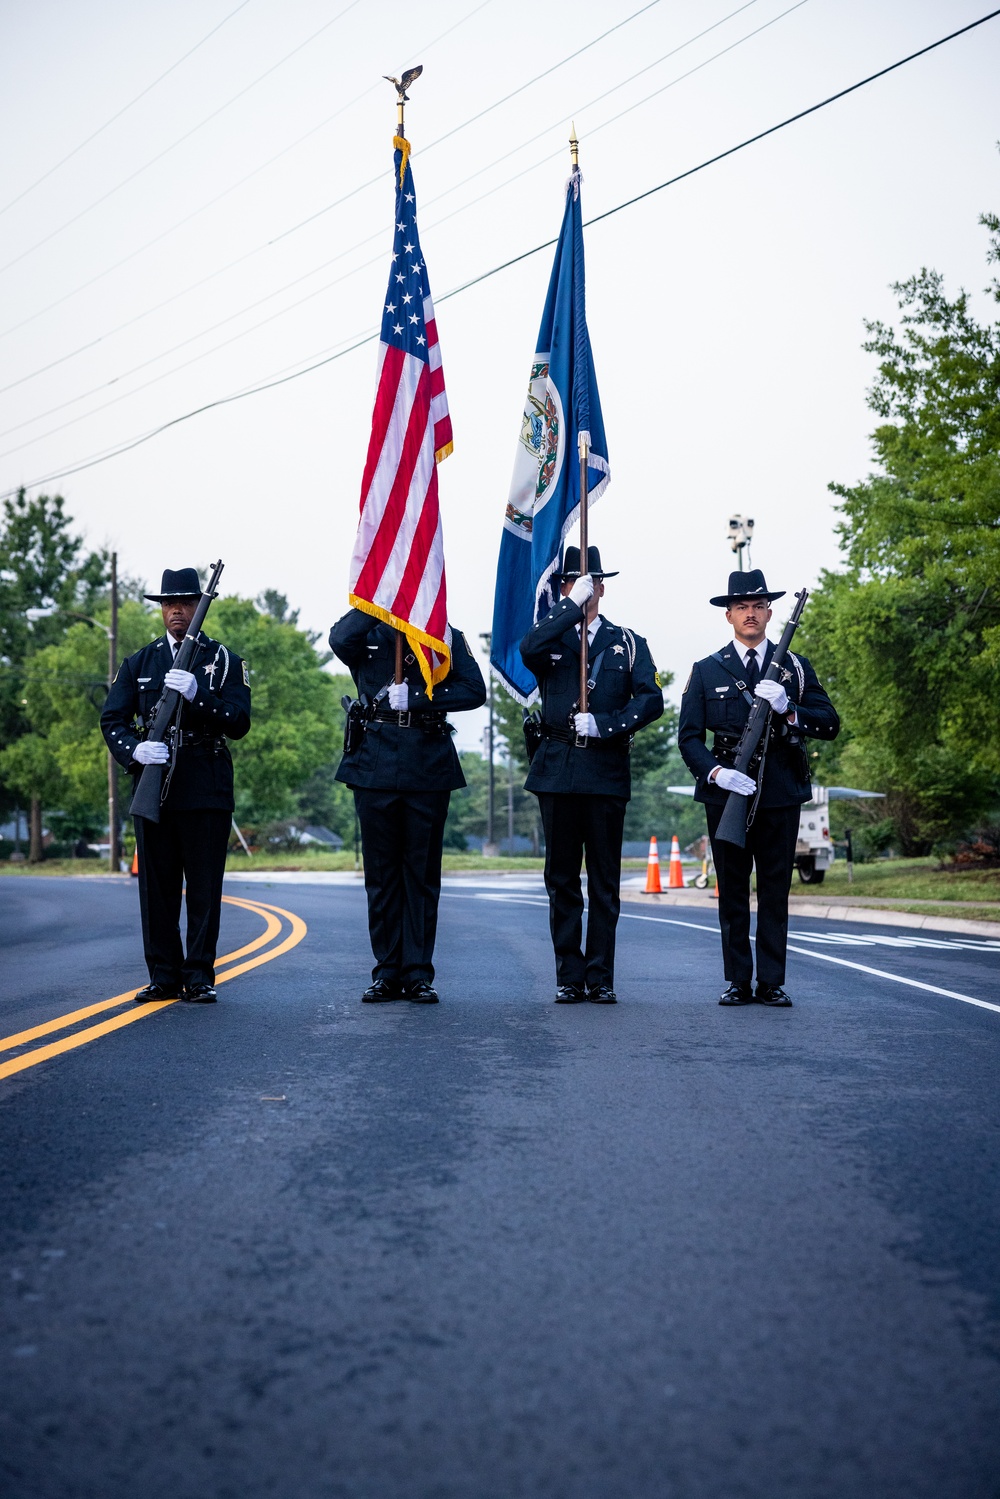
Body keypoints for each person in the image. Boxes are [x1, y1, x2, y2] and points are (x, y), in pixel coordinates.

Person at [678, 569, 839, 1008]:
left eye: (758, 606)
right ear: (728, 615)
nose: (751, 614)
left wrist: (789, 709)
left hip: (780, 791)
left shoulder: (795, 667)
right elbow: (688, 737)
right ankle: (737, 981)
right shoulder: (707, 669)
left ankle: (770, 981)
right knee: (732, 890)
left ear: (770, 613)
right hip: (727, 790)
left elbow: (829, 722)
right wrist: (715, 773)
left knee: (773, 889)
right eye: (742, 607)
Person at [520, 545, 664, 1005]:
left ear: (602, 587)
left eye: (592, 582)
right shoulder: (552, 637)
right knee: (562, 880)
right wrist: (567, 608)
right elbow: (527, 649)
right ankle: (569, 975)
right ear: (564, 586)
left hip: (604, 771)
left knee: (603, 881)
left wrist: (607, 724)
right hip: (558, 770)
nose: (586, 588)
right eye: (575, 582)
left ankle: (600, 976)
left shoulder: (628, 642)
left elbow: (650, 700)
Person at [101, 567, 251, 1004]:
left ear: (198, 607)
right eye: (169, 604)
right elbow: (113, 719)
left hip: (205, 784)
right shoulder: (139, 662)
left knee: (204, 889)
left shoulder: (223, 661)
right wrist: (134, 752)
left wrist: (198, 695)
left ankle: (200, 975)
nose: (177, 611)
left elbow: (239, 722)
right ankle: (164, 976)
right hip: (155, 783)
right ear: (161, 610)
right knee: (157, 889)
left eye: (185, 602)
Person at [329, 610, 486, 1004]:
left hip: (426, 762)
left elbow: (473, 689)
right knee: (381, 877)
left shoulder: (442, 633)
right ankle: (386, 971)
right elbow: (338, 639)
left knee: (420, 876)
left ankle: (417, 973)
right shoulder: (367, 630)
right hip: (374, 762)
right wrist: (377, 601)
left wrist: (419, 697)